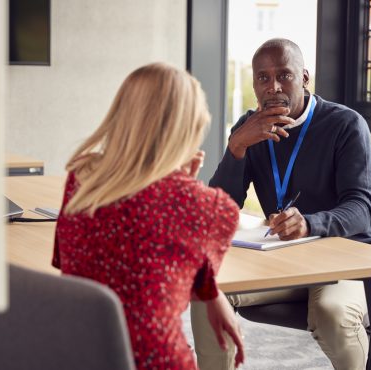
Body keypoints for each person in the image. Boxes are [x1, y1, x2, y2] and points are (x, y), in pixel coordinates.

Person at [191, 39, 371, 370]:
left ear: (305, 77)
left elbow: (362, 208)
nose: (274, 87)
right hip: (285, 258)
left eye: (285, 75)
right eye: (263, 78)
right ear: (254, 84)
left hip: (349, 257)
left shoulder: (345, 125)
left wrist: (312, 223)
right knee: (207, 291)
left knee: (331, 312)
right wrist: (236, 146)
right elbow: (220, 208)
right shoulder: (251, 128)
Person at [51, 63, 245, 370]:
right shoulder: (213, 208)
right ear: (191, 127)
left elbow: (69, 264)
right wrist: (188, 186)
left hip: (76, 354)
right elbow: (189, 287)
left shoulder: (83, 176)